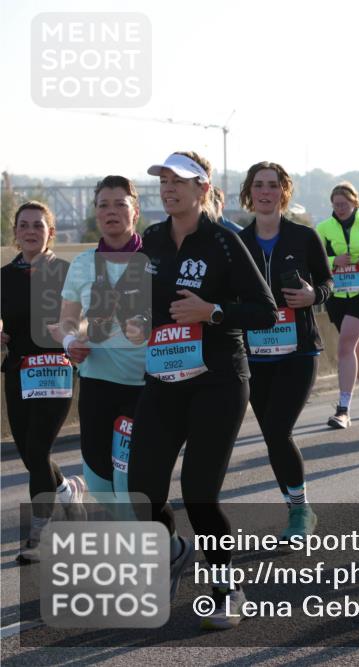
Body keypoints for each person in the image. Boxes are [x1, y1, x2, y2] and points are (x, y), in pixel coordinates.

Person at [125, 151, 277, 630]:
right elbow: (137, 304)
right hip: (164, 378)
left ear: (202, 187)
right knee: (141, 491)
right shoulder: (149, 240)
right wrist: (133, 321)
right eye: (163, 180)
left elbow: (265, 312)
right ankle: (172, 552)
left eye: (179, 181)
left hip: (218, 380)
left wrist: (211, 312)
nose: (168, 188)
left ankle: (225, 584)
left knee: (198, 494)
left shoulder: (225, 241)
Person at [238, 162, 332, 538]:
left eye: (273, 185)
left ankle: (299, 512)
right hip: (255, 355)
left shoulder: (303, 237)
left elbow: (327, 283)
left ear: (283, 191)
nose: (265, 192)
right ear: (249, 193)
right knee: (273, 436)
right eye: (258, 185)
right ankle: (298, 505)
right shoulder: (238, 242)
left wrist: (313, 295)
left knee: (278, 430)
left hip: (298, 352)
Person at [53, 176, 148, 516]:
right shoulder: (82, 264)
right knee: (98, 484)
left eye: (120, 204)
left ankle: (147, 554)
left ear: (134, 211)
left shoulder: (154, 262)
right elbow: (66, 320)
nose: (111, 212)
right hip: (96, 383)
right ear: (95, 214)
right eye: (103, 205)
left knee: (127, 483)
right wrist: (70, 341)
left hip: (142, 386)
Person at [1, 202, 84, 563]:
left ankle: (40, 531)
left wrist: (73, 333)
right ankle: (65, 491)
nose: (31, 230)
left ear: (50, 231)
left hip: (56, 369)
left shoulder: (67, 273)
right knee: (29, 452)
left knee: (37, 449)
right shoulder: (3, 276)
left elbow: (85, 319)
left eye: (39, 224)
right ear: (16, 232)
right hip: (20, 371)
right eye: (24, 225)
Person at [316, 182, 359, 429]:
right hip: (336, 293)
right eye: (336, 204)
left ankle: (343, 409)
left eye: (344, 204)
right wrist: (335, 260)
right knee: (354, 347)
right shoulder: (322, 228)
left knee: (345, 345)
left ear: (355, 202)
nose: (340, 208)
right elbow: (316, 261)